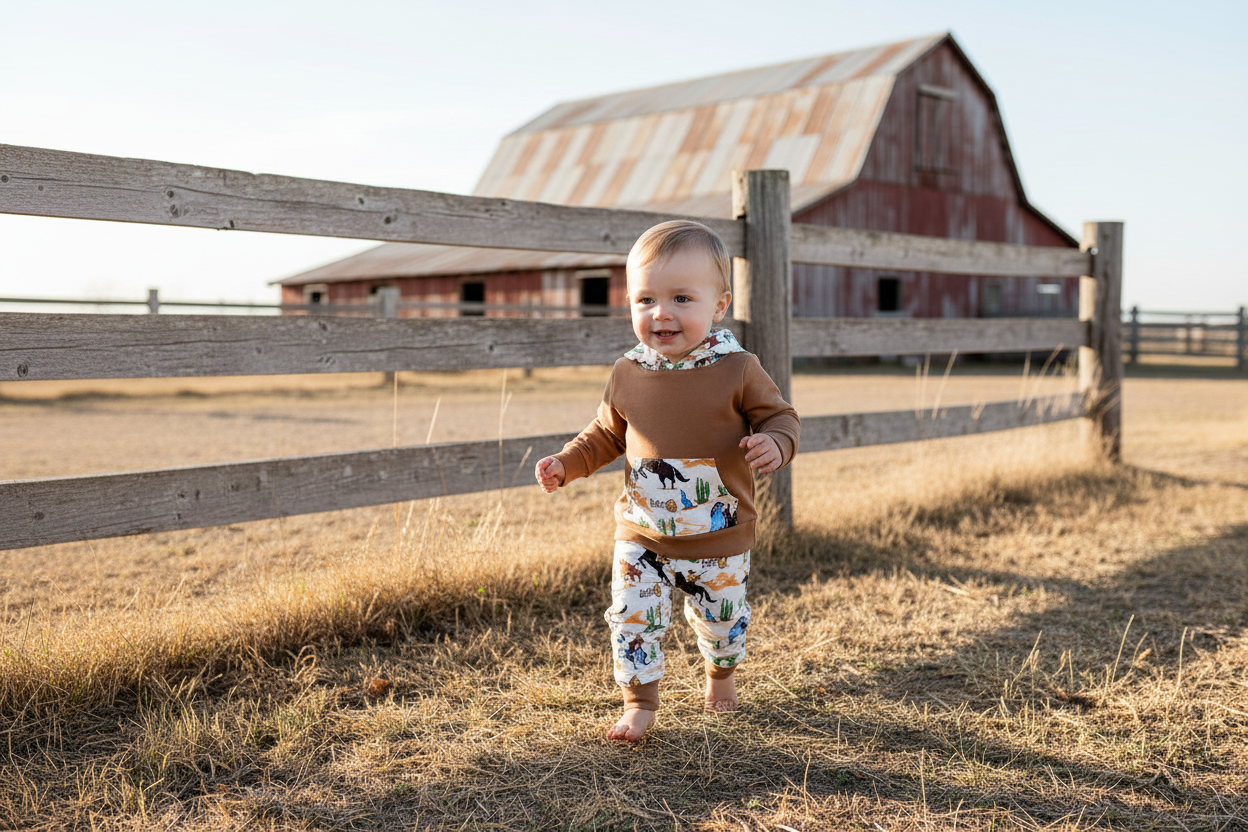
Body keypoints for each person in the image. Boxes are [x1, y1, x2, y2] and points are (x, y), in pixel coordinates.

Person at [534, 219, 800, 742]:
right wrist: (567, 462)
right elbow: (604, 435)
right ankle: (639, 702)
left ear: (719, 306)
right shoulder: (627, 372)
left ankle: (720, 675)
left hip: (718, 535)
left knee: (722, 621)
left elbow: (781, 417)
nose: (661, 313)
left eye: (681, 298)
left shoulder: (738, 368)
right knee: (632, 618)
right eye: (646, 299)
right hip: (642, 534)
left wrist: (775, 441)